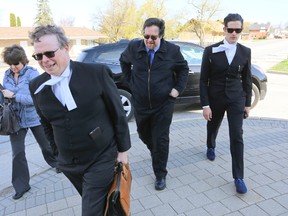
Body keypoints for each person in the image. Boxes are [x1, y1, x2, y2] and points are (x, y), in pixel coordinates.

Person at [28, 24, 131, 215]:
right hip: (69, 164)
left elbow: (117, 112)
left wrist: (123, 150)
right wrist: (57, 155)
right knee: (103, 205)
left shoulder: (96, 73)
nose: (45, 60)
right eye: (38, 56)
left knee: (90, 210)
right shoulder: (36, 85)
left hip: (101, 156)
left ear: (66, 47)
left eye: (50, 53)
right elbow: (45, 123)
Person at [120, 18, 189, 191]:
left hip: (163, 104)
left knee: (161, 139)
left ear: (161, 36)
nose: (149, 40)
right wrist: (131, 84)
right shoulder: (134, 48)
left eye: (153, 37)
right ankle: (157, 153)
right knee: (143, 134)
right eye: (146, 36)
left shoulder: (172, 51)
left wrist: (176, 90)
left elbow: (183, 69)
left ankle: (160, 174)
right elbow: (124, 61)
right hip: (141, 103)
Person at [199, 13, 252, 194]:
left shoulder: (245, 52)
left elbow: (247, 79)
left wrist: (247, 103)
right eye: (231, 30)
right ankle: (210, 145)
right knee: (213, 126)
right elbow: (203, 80)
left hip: (236, 98)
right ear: (224, 29)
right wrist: (205, 105)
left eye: (238, 30)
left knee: (237, 136)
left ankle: (239, 177)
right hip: (216, 98)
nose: (234, 33)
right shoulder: (210, 50)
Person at [1, 44, 59, 200]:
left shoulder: (32, 74)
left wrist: (13, 95)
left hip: (34, 117)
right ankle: (21, 186)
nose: (13, 67)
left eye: (16, 63)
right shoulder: (6, 75)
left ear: (23, 60)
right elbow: (4, 96)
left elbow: (34, 99)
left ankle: (58, 164)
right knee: (17, 154)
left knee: (46, 145)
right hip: (15, 120)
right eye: (10, 64)